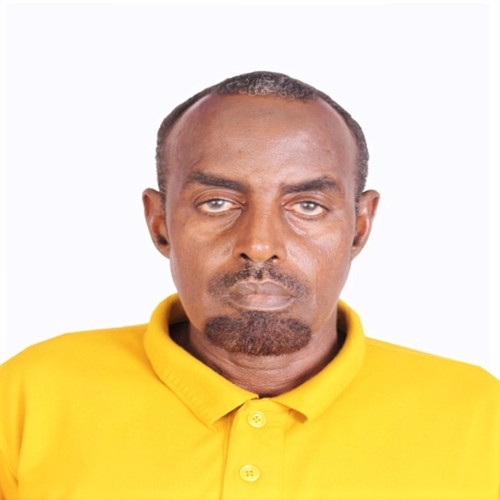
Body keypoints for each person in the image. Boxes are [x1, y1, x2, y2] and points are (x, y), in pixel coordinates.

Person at [1, 71, 499, 500]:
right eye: (217, 203)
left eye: (308, 205)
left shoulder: (479, 416)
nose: (259, 245)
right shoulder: (27, 396)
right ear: (160, 223)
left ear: (359, 227)